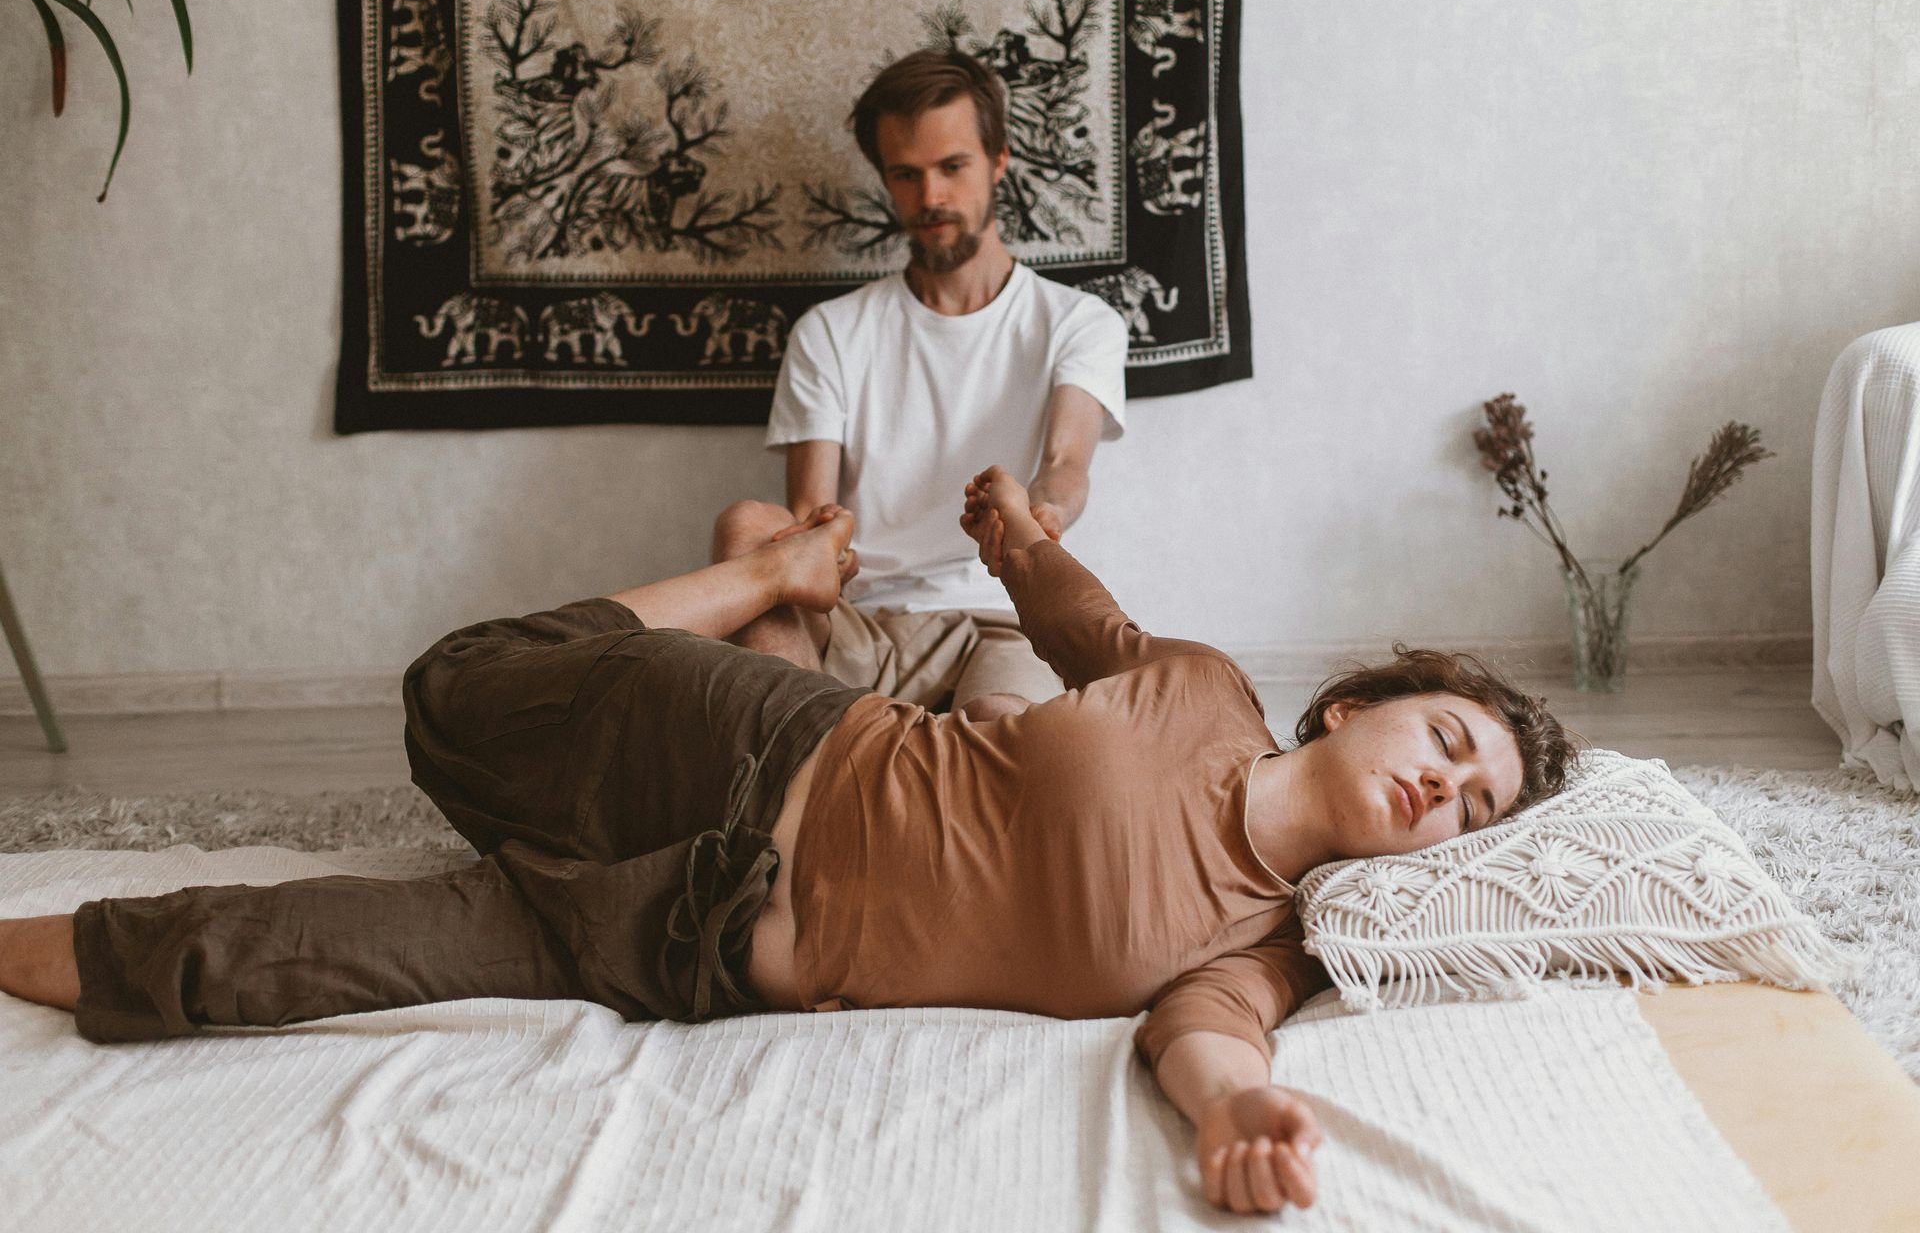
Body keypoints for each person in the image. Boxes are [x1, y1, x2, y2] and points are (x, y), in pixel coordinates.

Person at [0, 469, 1573, 1216]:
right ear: (1363, 702)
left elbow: (1204, 1039)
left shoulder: (1274, 943)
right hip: (759, 736)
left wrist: (1244, 1122)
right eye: (1449, 742)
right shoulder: (1208, 689)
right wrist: (1015, 534)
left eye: (1481, 804)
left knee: (304, 953)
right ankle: (763, 585)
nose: (1449, 792)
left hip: (701, 933)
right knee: (455, 693)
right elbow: (1084, 619)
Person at [733, 47, 1130, 722]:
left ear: (998, 159)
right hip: (862, 624)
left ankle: (840, 766)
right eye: (906, 175)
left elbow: (1066, 465)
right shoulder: (831, 332)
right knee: (747, 524)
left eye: (952, 167)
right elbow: (808, 509)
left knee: (999, 729)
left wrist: (1038, 517)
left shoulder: (1076, 321)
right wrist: (824, 539)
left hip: (1004, 615)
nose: (932, 198)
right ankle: (802, 753)